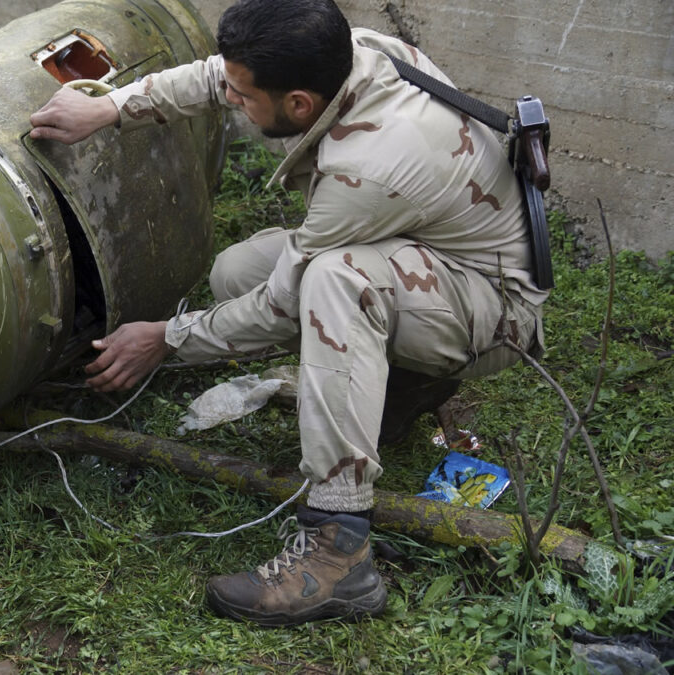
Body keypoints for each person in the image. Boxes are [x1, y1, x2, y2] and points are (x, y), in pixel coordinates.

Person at [29, 0, 547, 627]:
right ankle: (402, 384)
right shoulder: (350, 51)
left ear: (299, 103)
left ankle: (339, 548)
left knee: (334, 281)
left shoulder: (370, 171)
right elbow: (220, 77)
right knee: (237, 271)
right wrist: (111, 107)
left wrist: (165, 338)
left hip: (495, 314)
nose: (234, 101)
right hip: (434, 259)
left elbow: (280, 308)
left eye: (247, 98)